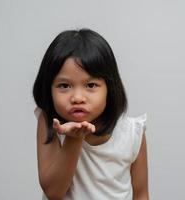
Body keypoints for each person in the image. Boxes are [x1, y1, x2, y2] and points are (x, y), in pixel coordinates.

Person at [32, 28, 149, 200]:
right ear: (48, 88)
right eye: (64, 86)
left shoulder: (132, 132)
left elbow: (141, 194)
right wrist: (74, 139)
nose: (77, 98)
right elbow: (53, 192)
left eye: (91, 85)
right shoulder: (49, 121)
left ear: (110, 87)